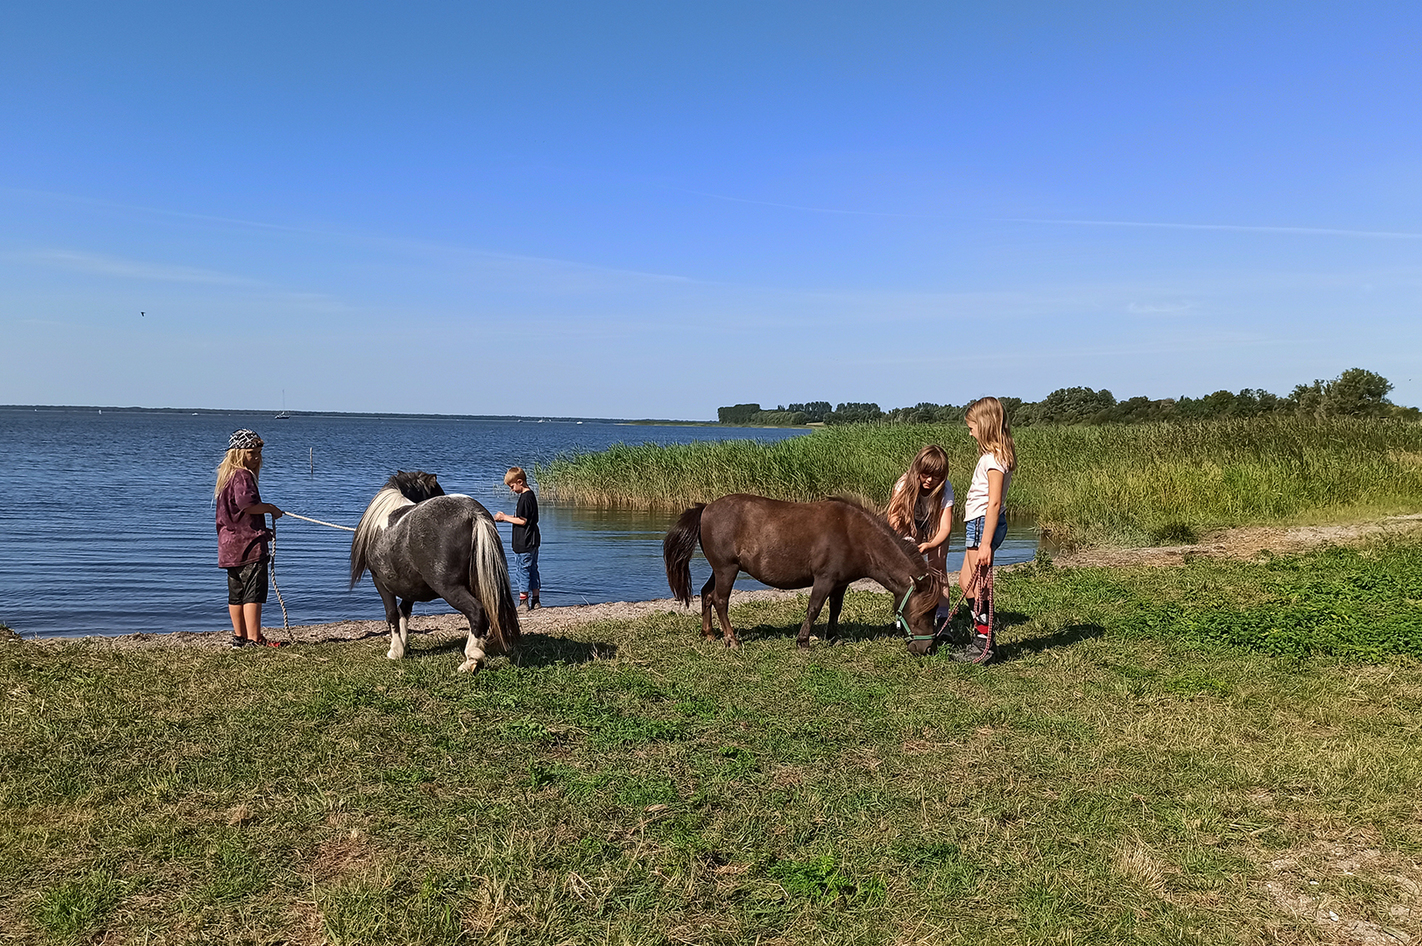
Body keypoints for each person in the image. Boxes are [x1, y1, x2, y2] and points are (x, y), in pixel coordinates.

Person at [954, 397, 1017, 664]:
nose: (970, 432)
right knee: (964, 582)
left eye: (972, 427)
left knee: (979, 588)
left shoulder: (993, 459)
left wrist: (986, 544)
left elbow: (993, 502)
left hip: (982, 525)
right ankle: (985, 632)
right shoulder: (994, 456)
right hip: (978, 524)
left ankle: (983, 646)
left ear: (985, 424)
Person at [215, 429, 284, 647]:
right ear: (237, 452)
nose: (256, 457)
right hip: (248, 546)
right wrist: (271, 509)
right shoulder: (242, 476)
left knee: (236, 593)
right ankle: (254, 637)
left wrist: (263, 531)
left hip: (229, 545)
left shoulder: (226, 477)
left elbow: (237, 514)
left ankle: (240, 636)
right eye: (251, 452)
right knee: (253, 592)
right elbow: (248, 505)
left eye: (258, 453)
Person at [886, 445, 955, 627]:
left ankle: (942, 615)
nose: (930, 480)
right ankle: (907, 613)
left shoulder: (946, 490)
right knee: (910, 569)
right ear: (917, 469)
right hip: (910, 522)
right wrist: (903, 539)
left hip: (934, 524)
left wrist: (931, 545)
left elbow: (945, 528)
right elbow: (893, 516)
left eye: (936, 476)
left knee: (938, 568)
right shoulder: (903, 484)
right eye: (925, 474)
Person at [493, 466, 541, 611]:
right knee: (533, 569)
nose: (512, 490)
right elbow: (523, 518)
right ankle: (536, 601)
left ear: (520, 482)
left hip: (524, 542)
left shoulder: (525, 498)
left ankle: (523, 602)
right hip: (533, 540)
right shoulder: (530, 496)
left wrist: (504, 517)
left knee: (522, 570)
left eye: (512, 486)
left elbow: (522, 521)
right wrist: (507, 518)